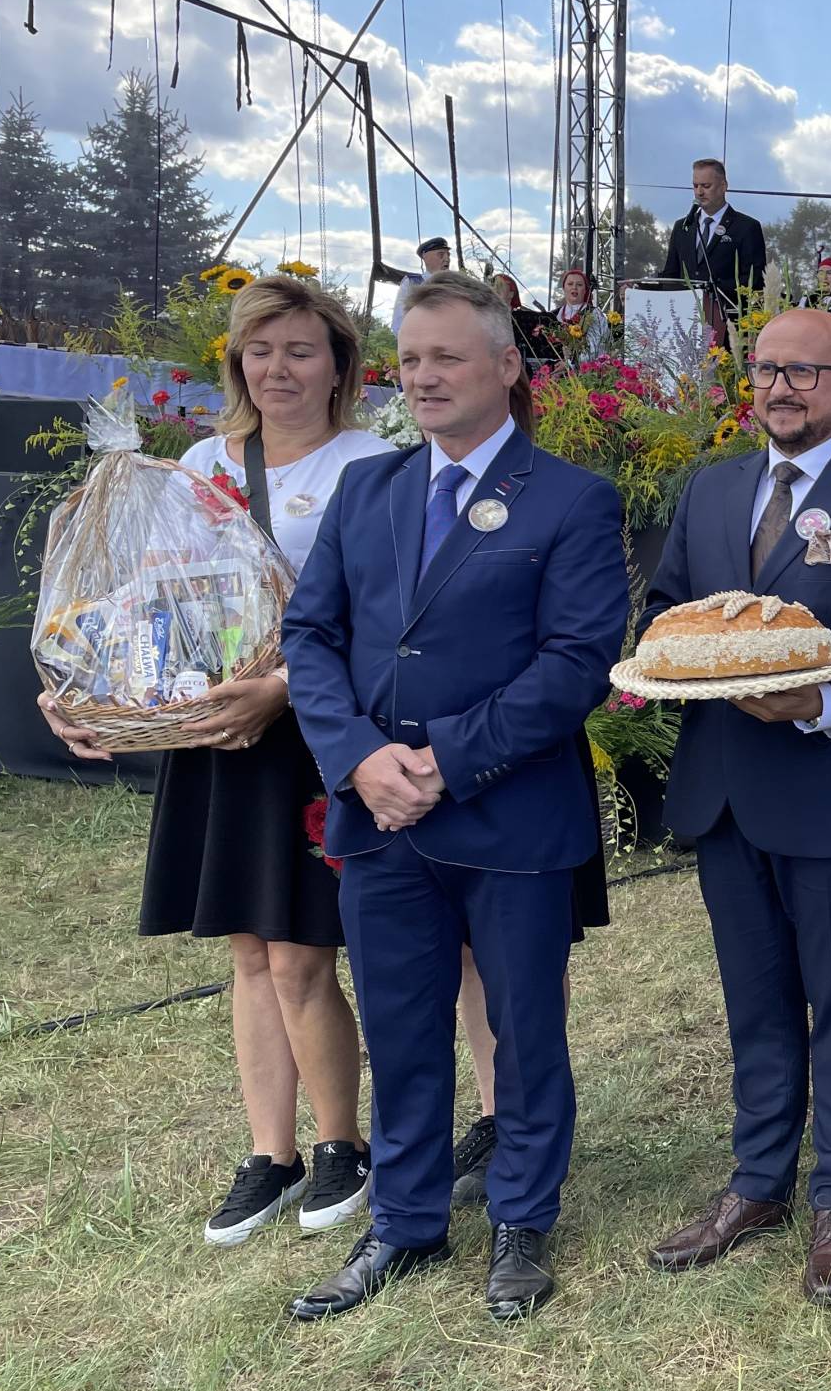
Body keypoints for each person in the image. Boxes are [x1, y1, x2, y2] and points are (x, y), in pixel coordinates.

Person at [280, 271, 628, 1324]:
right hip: (379, 817)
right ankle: (405, 1220)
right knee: (400, 1027)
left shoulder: (571, 498)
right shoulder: (368, 489)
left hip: (508, 813)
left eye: (447, 357)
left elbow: (575, 664)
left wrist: (438, 763)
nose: (422, 377)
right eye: (409, 358)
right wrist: (359, 759)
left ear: (508, 366)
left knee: (524, 1030)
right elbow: (310, 636)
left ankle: (522, 1218)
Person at [37, 274, 393, 1246]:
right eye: (260, 350)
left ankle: (341, 1142)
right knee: (247, 949)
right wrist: (82, 675)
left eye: (301, 350)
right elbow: (149, 600)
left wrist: (282, 685)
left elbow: (384, 614)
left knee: (300, 951)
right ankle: (270, 1154)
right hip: (214, 732)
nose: (278, 369)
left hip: (310, 733)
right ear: (236, 362)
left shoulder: (372, 464)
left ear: (339, 366)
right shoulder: (198, 463)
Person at [641, 308, 831, 1305]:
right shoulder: (712, 487)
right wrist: (664, 660)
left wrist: (820, 703)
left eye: (806, 372)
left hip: (829, 792)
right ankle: (758, 1184)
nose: (781, 387)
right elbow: (669, 609)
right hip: (724, 791)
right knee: (756, 1002)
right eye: (769, 368)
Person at [659, 157, 767, 336]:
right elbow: (671, 274)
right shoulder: (683, 227)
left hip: (728, 325)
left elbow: (753, 280)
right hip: (684, 324)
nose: (699, 192)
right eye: (695, 186)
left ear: (723, 186)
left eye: (706, 186)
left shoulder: (746, 227)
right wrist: (641, 288)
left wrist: (710, 290)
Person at [390, 237, 451, 336]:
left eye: (448, 255)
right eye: (441, 254)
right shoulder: (412, 283)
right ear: (425, 257)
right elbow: (399, 322)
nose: (447, 259)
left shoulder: (455, 285)